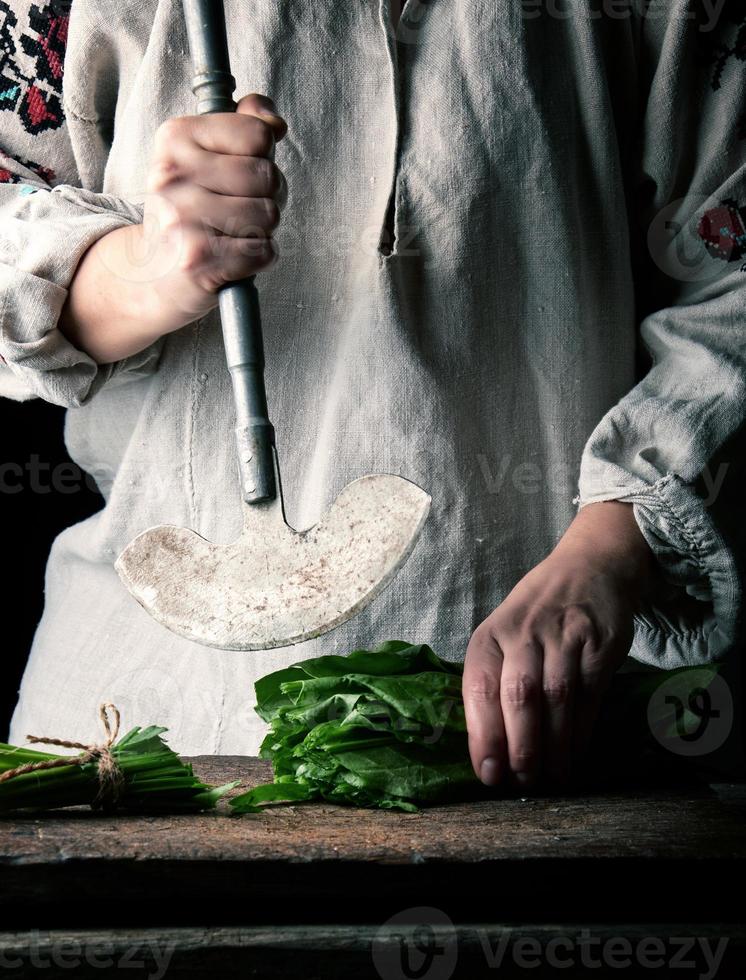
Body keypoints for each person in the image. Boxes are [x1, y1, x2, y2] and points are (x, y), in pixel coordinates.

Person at [0, 0, 743, 788]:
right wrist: (140, 272)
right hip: (131, 733)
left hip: (557, 724)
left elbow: (731, 273)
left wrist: (615, 546)